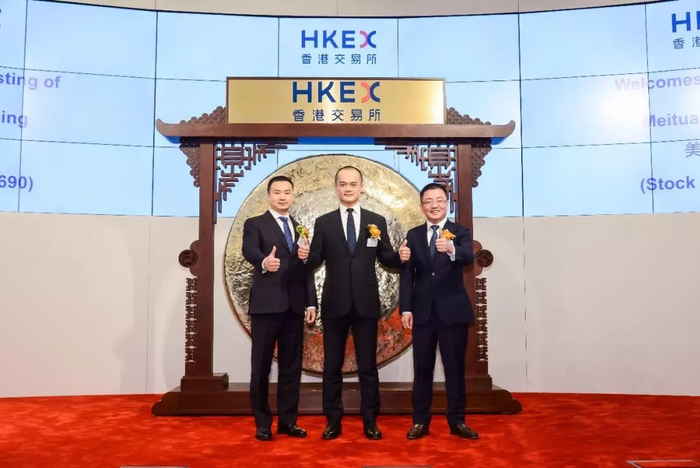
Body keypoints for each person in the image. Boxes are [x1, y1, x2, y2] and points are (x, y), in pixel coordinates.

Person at [305, 166, 411, 440]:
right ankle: (333, 420)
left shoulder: (375, 221)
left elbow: (385, 257)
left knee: (368, 366)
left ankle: (370, 420)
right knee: (332, 366)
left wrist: (400, 256)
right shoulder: (324, 222)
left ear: (362, 187)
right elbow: (315, 259)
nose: (348, 188)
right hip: (334, 303)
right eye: (343, 184)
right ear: (336, 187)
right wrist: (304, 255)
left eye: (353, 184)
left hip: (366, 303)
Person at [399, 182, 479, 440]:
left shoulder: (459, 231)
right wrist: (405, 308)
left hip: (452, 312)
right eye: (428, 201)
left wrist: (452, 249)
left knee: (454, 368)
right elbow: (407, 274)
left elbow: (469, 256)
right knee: (422, 369)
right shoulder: (413, 235)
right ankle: (420, 421)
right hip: (422, 312)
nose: (434, 205)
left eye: (439, 200)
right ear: (421, 206)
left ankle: (457, 421)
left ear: (447, 204)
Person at [242, 175, 317, 441]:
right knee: (261, 367)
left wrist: (310, 301)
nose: (282, 196)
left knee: (291, 368)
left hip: (294, 308)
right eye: (277, 192)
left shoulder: (300, 228)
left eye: (287, 192)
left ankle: (288, 422)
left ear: (293, 196)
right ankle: (262, 423)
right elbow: (249, 250)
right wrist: (264, 262)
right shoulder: (255, 224)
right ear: (268, 196)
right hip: (266, 307)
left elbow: (306, 269)